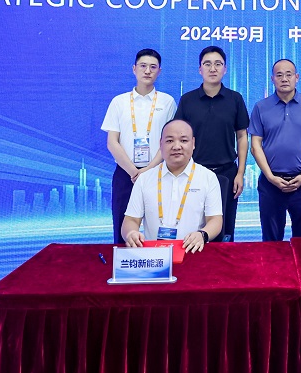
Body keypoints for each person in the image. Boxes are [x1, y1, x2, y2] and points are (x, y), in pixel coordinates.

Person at [174, 45, 250, 242]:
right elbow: (179, 136)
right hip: (194, 173)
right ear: (200, 69)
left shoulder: (235, 99)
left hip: (227, 173)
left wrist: (240, 173)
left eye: (218, 64)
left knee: (225, 229)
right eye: (207, 64)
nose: (213, 68)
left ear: (225, 69)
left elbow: (242, 136)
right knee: (192, 227)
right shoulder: (187, 100)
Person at [101, 48, 177, 244]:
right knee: (122, 226)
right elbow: (112, 142)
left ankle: (161, 260)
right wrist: (134, 171)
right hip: (126, 173)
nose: (147, 71)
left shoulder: (167, 102)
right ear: (134, 69)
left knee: (161, 226)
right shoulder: (119, 102)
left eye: (153, 67)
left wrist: (148, 170)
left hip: (158, 172)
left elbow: (169, 141)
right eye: (143, 66)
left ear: (159, 71)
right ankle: (124, 260)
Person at [248, 59, 301, 241]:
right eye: (279, 75)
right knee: (271, 240)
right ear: (272, 79)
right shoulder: (260, 107)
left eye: (289, 74)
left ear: (297, 77)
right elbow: (255, 145)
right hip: (271, 183)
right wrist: (270, 177)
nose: (284, 79)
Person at [121, 120, 222, 253]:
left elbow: (215, 219)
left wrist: (202, 234)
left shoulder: (208, 177)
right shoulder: (145, 179)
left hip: (193, 253)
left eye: (183, 140)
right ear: (160, 144)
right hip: (153, 255)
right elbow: (131, 220)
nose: (176, 146)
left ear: (193, 143)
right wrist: (131, 233)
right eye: (169, 141)